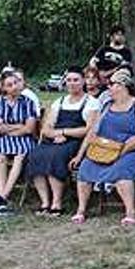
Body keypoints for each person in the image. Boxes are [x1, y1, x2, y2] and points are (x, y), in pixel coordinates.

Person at [70, 69, 135, 225]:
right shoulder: (107, 106)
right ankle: (81, 210)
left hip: (133, 149)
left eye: (112, 84)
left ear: (123, 86)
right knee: (85, 167)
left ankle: (131, 212)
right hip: (106, 148)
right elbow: (92, 133)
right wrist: (80, 156)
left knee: (121, 170)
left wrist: (122, 149)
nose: (108, 87)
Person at [26, 66, 100, 215]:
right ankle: (45, 201)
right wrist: (56, 134)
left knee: (56, 156)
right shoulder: (59, 102)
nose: (72, 83)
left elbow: (87, 130)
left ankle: (57, 203)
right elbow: (46, 128)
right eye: (69, 80)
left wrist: (64, 132)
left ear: (83, 81)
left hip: (76, 143)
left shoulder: (91, 102)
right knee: (35, 155)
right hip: (55, 139)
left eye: (76, 80)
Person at [0, 71, 39, 216]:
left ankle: (2, 197)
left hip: (24, 138)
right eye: (10, 85)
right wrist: (18, 126)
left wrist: (9, 127)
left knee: (20, 156)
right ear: (4, 88)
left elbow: (30, 129)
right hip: (4, 137)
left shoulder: (27, 103)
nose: (15, 87)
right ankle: (2, 198)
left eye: (16, 83)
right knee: (0, 156)